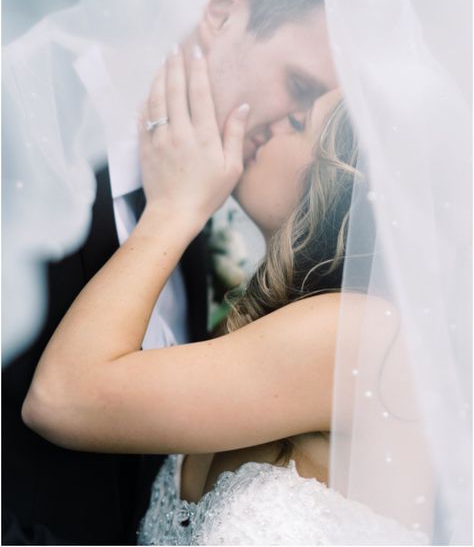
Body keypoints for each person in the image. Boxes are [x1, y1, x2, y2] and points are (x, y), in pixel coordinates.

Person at [3, 0, 338, 546]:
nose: (298, 127)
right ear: (221, 9)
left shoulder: (194, 208)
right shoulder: (17, 123)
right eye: (298, 88)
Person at [23, 50, 428, 545]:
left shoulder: (361, 333)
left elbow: (63, 397)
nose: (270, 122)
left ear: (338, 184)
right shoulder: (277, 327)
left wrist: (174, 208)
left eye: (298, 120)